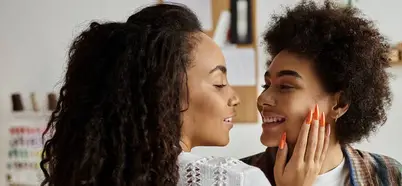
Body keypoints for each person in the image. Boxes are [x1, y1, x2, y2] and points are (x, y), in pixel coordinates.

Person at [39, 3, 328, 186]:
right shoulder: (237, 179)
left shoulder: (89, 175)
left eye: (285, 86)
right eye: (219, 82)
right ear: (165, 93)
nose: (237, 98)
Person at [241, 1, 402, 186]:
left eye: (285, 86)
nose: (263, 99)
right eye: (266, 85)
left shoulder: (387, 177)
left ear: (339, 104)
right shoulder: (236, 177)